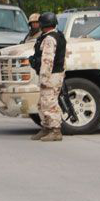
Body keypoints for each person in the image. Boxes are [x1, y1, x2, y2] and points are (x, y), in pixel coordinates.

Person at [29, 12, 66, 142]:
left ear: (43, 24)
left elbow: (47, 60)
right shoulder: (57, 35)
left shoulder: (50, 39)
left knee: (50, 103)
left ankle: (55, 130)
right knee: (43, 103)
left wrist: (44, 77)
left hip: (50, 75)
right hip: (55, 74)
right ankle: (46, 127)